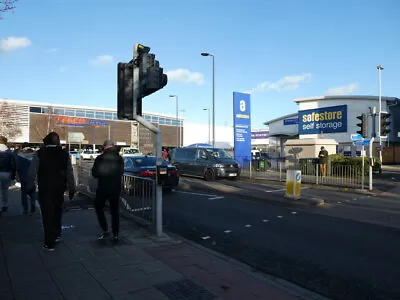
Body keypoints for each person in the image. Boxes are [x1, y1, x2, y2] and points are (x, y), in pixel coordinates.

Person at [27, 132, 76, 251]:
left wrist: (30, 186)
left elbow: (32, 172)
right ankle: (57, 234)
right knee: (57, 211)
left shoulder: (40, 153)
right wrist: (72, 188)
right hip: (59, 187)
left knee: (47, 214)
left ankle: (49, 242)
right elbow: (69, 172)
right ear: (57, 142)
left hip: (45, 188)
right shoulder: (64, 154)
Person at [91, 140, 124, 243]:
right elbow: (121, 171)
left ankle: (105, 229)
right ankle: (116, 234)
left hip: (103, 187)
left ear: (104, 147)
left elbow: (94, 173)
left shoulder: (100, 158)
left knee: (98, 207)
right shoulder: (119, 158)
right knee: (115, 211)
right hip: (115, 187)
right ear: (113, 146)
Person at [16, 147, 37, 215]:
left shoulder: (20, 157)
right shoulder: (34, 157)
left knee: (24, 193)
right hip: (32, 177)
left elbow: (17, 167)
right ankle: (33, 203)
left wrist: (18, 177)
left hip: (23, 176)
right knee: (33, 191)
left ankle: (25, 208)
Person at [0, 136, 16, 214]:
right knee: (5, 190)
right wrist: (13, 175)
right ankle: (5, 205)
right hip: (6, 173)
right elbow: (13, 164)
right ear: (5, 142)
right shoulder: (9, 152)